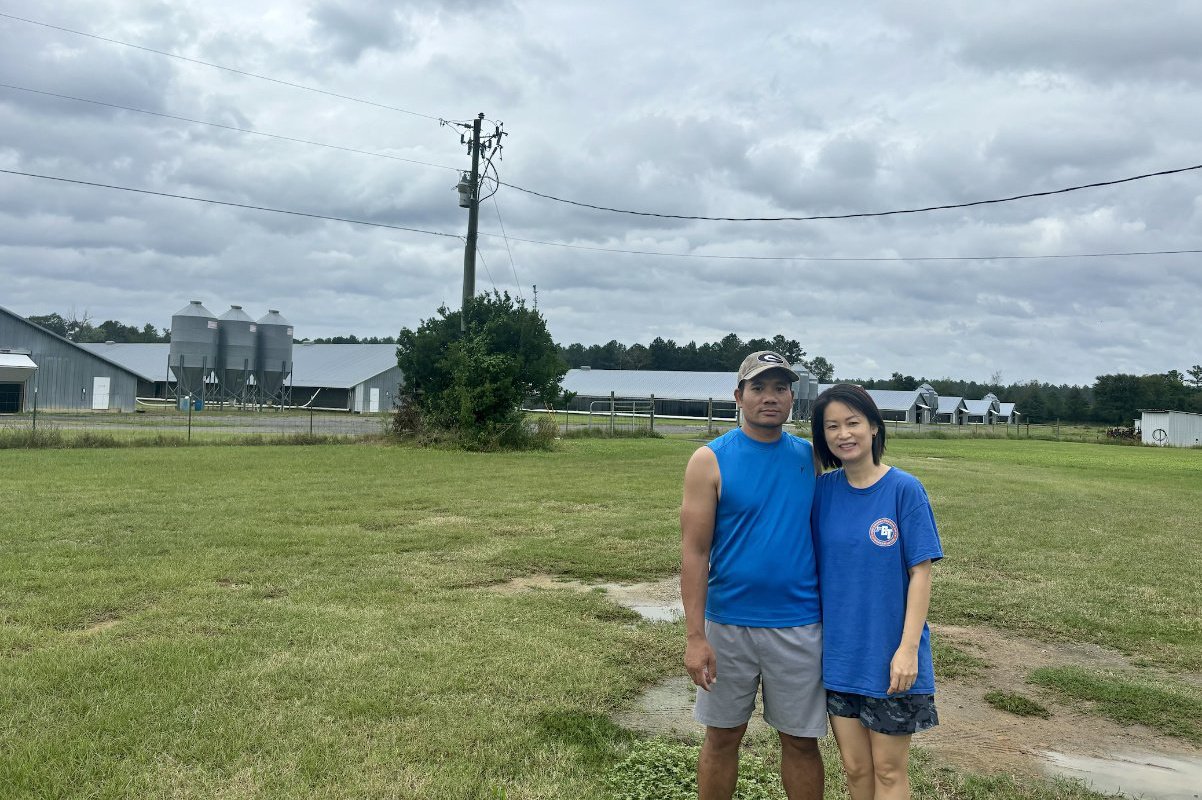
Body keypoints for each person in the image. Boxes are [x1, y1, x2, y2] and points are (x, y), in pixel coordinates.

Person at [680, 351, 825, 800]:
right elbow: (695, 550)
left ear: (791, 397)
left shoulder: (812, 459)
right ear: (738, 396)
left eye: (780, 388)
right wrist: (695, 636)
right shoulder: (709, 460)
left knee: (801, 742)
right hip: (728, 626)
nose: (770, 397)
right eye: (759, 388)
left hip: (799, 624)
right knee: (722, 737)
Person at [810, 384, 943, 800]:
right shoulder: (822, 492)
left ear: (874, 428)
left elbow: (921, 574)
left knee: (888, 771)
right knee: (854, 769)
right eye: (832, 426)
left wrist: (906, 651)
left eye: (853, 423)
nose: (843, 434)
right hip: (839, 655)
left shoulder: (905, 490)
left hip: (889, 659)